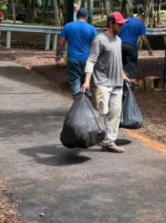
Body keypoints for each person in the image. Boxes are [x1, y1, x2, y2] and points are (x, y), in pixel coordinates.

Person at [82, 12, 131, 153]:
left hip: (117, 83)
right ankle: (94, 136)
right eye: (119, 24)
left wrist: (123, 75)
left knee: (115, 114)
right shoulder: (99, 40)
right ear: (111, 24)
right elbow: (91, 61)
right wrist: (87, 81)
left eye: (122, 24)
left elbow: (117, 61)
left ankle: (109, 142)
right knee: (102, 112)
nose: (122, 27)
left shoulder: (118, 40)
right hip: (102, 83)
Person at [56, 8, 98, 97]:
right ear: (86, 17)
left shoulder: (67, 26)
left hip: (73, 59)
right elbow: (95, 46)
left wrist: (57, 54)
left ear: (77, 16)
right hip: (87, 60)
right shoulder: (92, 29)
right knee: (86, 83)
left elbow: (60, 43)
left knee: (75, 84)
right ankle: (85, 101)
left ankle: (77, 100)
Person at [118, 12, 153, 89]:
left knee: (122, 63)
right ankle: (131, 84)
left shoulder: (125, 20)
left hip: (120, 45)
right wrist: (149, 49)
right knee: (132, 65)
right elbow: (144, 39)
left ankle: (121, 82)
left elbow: (118, 32)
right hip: (131, 46)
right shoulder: (141, 24)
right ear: (142, 19)